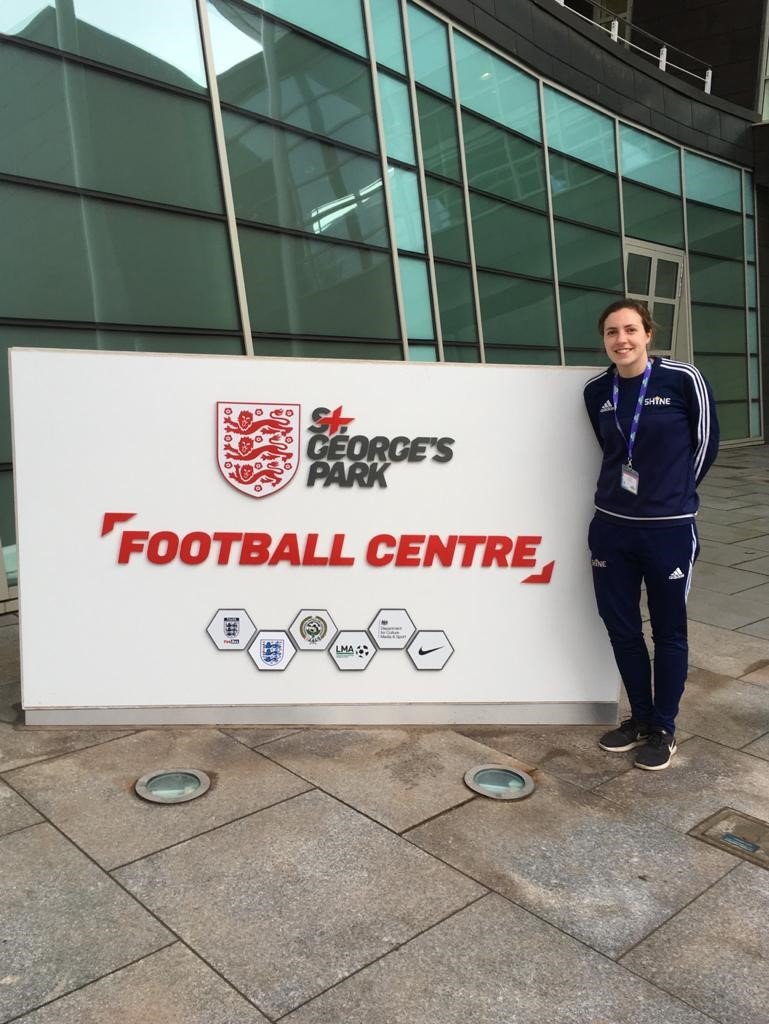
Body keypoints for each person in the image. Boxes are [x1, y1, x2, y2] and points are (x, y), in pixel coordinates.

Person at [583, 299, 719, 770]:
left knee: (668, 631)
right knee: (621, 627)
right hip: (611, 529)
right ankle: (639, 718)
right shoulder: (596, 390)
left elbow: (707, 443)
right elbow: (612, 448)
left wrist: (674, 497)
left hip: (668, 531)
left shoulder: (683, 379)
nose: (621, 340)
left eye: (630, 330)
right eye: (612, 333)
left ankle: (664, 727)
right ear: (604, 340)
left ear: (647, 334)